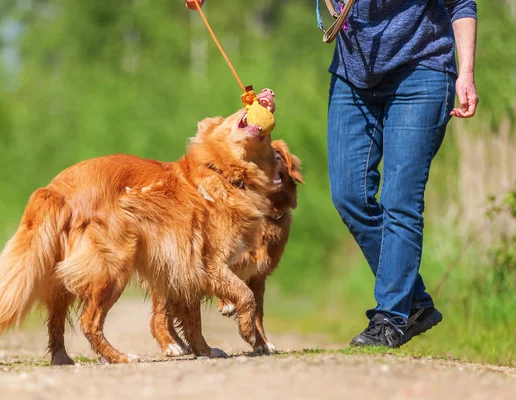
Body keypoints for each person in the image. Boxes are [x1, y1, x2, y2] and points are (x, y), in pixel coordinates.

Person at [186, 0, 479, 348]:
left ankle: (390, 316)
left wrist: (467, 72)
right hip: (353, 78)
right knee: (349, 196)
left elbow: (461, 3)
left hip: (422, 71)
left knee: (400, 199)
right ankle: (413, 302)